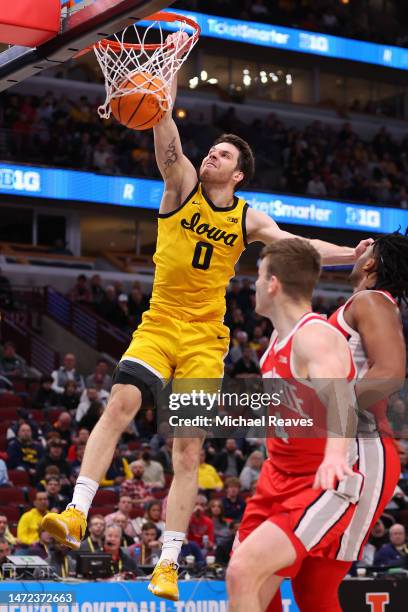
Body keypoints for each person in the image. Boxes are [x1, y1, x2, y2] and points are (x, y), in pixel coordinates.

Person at [41, 31, 372, 603]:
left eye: (223, 154)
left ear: (238, 174)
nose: (212, 154)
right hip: (159, 323)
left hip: (204, 341)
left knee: (187, 449)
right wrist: (165, 69)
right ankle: (75, 512)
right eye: (212, 149)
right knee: (120, 404)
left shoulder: (247, 218)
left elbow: (298, 244)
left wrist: (351, 253)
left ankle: (167, 563)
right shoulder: (181, 183)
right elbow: (162, 125)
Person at [228, 239, 358, 612]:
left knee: (243, 571)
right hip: (275, 479)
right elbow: (302, 254)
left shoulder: (313, 336)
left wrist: (335, 456)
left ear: (273, 284)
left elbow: (342, 400)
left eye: (258, 277)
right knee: (248, 586)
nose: (252, 285)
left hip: (317, 482)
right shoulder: (276, 337)